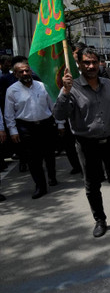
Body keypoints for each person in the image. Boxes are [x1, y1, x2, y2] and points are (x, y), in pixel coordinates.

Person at [54, 47, 110, 238]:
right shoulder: (72, 88)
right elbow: (59, 114)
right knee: (92, 185)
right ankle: (100, 220)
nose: (91, 66)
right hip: (87, 144)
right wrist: (64, 91)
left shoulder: (108, 84)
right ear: (79, 64)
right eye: (86, 62)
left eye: (94, 62)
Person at [4, 62, 62, 199]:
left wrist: (60, 124)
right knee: (33, 159)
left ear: (31, 71)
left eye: (27, 71)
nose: (25, 74)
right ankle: (40, 186)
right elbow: (9, 113)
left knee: (49, 154)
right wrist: (13, 131)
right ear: (16, 74)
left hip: (45, 125)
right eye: (21, 72)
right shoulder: (12, 90)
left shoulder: (42, 86)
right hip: (26, 128)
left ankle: (52, 177)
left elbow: (53, 107)